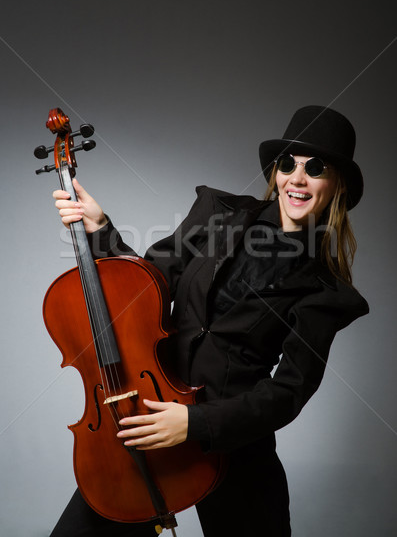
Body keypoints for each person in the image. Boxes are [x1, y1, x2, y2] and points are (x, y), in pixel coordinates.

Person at [50, 105, 369, 537]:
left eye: (315, 168)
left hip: (232, 446)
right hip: (149, 414)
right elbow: (147, 287)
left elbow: (289, 391)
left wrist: (195, 424)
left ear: (337, 185)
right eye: (287, 163)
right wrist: (101, 228)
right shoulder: (218, 212)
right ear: (275, 172)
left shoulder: (324, 290)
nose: (297, 178)